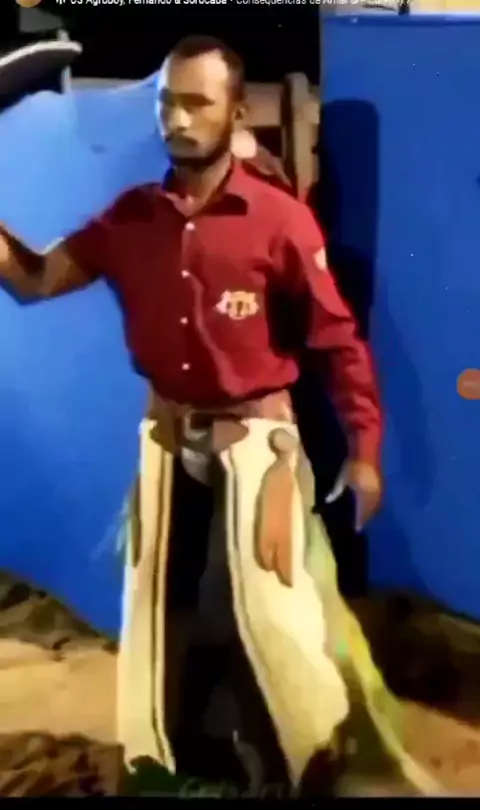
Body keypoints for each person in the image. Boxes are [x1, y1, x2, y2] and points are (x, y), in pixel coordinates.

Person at [0, 35, 382, 795]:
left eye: (198, 103)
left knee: (264, 614)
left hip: (256, 441)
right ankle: (184, 769)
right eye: (168, 102)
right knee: (161, 617)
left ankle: (306, 768)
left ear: (233, 113)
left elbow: (336, 338)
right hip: (168, 442)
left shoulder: (279, 221)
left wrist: (365, 449)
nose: (177, 118)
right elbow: (36, 279)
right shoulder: (131, 219)